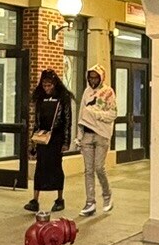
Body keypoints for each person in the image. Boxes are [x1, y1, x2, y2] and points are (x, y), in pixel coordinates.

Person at [24, 69, 72, 214]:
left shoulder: (63, 98)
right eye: (44, 86)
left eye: (49, 85)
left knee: (56, 167)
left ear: (55, 84)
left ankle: (59, 198)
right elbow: (37, 121)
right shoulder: (40, 98)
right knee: (40, 167)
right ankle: (35, 200)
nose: (47, 88)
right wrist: (33, 142)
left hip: (56, 137)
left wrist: (66, 141)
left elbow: (67, 121)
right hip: (42, 136)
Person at [76, 66, 117, 217]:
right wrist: (79, 135)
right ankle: (90, 202)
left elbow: (112, 114)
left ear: (101, 77)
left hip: (101, 135)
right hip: (87, 135)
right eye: (90, 77)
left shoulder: (108, 92)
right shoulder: (86, 92)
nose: (93, 80)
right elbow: (81, 113)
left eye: (95, 77)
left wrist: (96, 114)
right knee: (88, 170)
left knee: (99, 168)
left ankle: (107, 195)